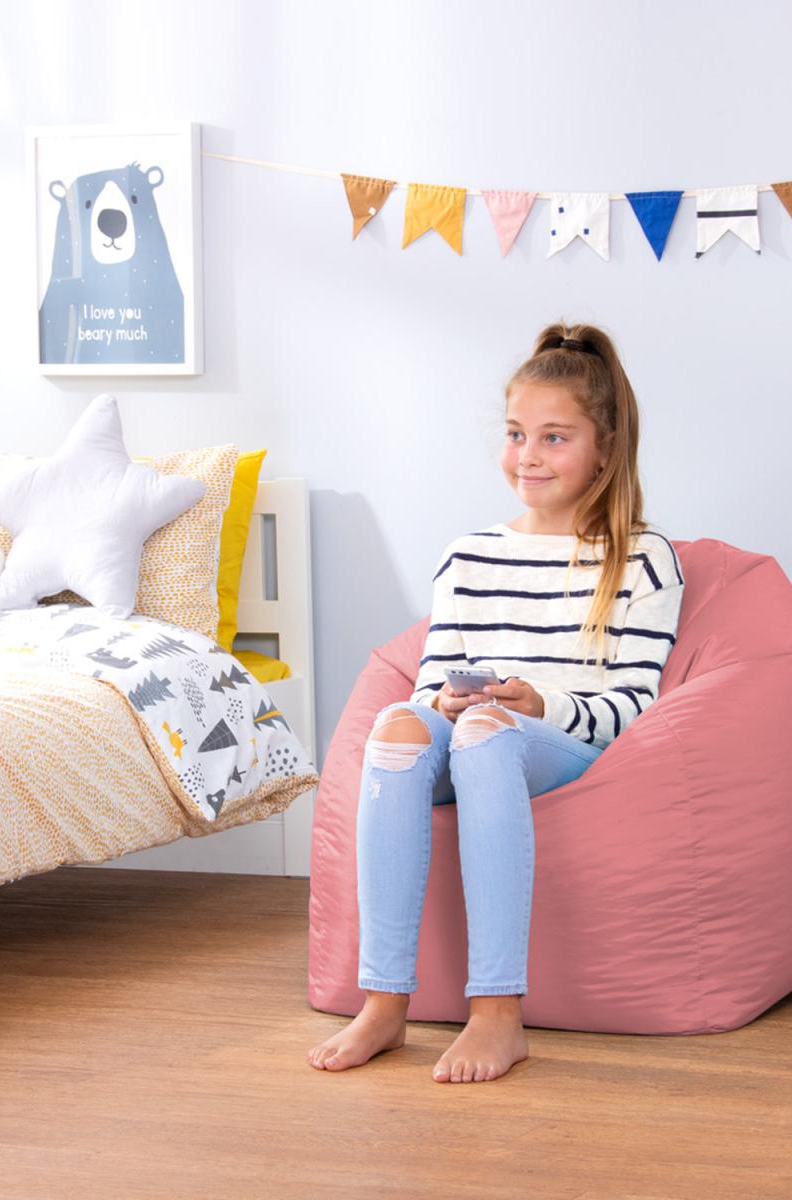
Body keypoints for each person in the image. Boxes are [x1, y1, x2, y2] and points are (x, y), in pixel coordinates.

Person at [308, 321, 685, 1083]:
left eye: (554, 438)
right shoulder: (468, 556)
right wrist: (443, 702)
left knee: (487, 729)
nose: (528, 456)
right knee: (397, 726)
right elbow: (430, 679)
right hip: (481, 727)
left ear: (605, 449)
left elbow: (634, 703)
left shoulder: (641, 558)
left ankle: (497, 1012)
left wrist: (538, 706)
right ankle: (384, 1001)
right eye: (516, 434)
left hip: (556, 740)